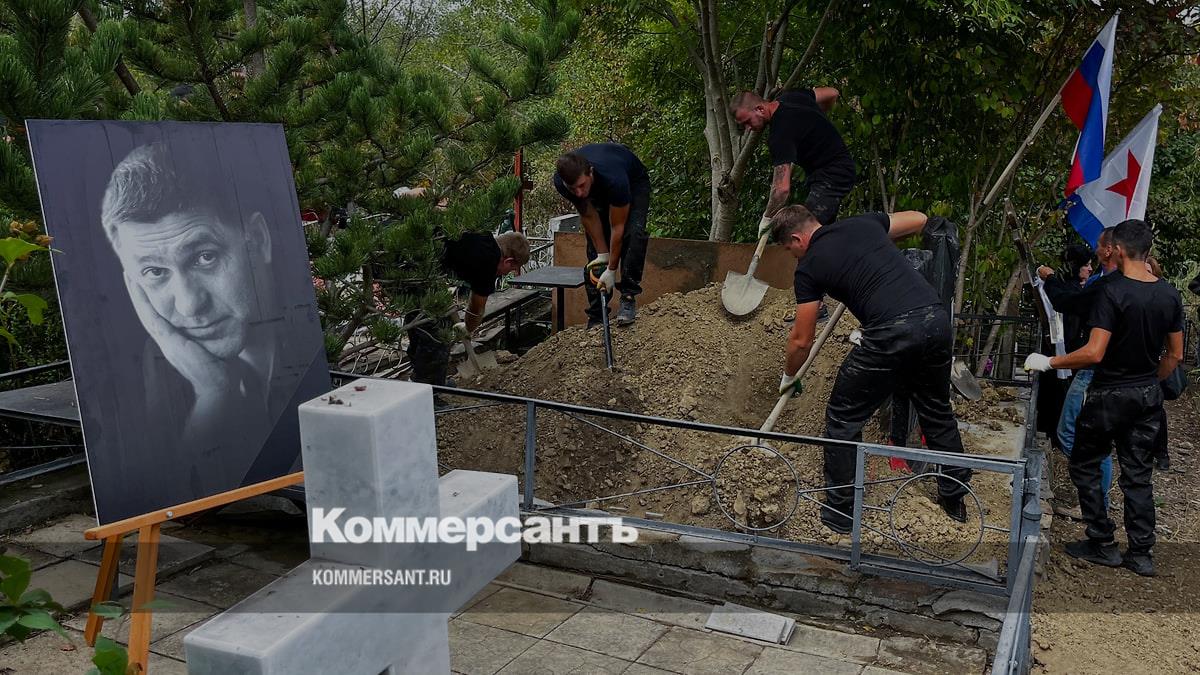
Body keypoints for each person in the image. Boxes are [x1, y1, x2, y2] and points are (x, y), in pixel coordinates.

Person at [100, 141, 325, 491]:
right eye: (155, 272)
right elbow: (171, 492)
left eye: (205, 257)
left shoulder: (311, 333)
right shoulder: (158, 361)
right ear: (134, 284)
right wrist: (213, 393)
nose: (190, 305)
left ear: (258, 240)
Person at [771, 205, 971, 534]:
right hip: (935, 321)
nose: (792, 255)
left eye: (788, 248)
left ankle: (840, 514)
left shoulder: (809, 267)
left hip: (892, 331)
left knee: (843, 417)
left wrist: (789, 376)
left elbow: (801, 340)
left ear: (796, 238)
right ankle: (955, 499)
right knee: (936, 410)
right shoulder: (863, 224)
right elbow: (919, 219)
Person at [1024, 219, 1184, 577]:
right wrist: (1149, 381)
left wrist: (1049, 362)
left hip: (1109, 394)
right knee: (1138, 474)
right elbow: (1175, 354)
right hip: (1147, 396)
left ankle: (1102, 541)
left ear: (1119, 249)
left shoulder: (1111, 291)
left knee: (1084, 463)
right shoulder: (1169, 294)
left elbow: (1094, 351)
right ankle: (1141, 553)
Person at [1038, 230, 1118, 510]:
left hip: (1093, 370)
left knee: (1072, 434)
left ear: (1110, 250)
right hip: (1122, 376)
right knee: (1099, 440)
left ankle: (1094, 502)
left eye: (1098, 245)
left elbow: (1069, 303)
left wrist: (1051, 362)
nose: (1095, 252)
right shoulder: (1151, 289)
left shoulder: (1109, 287)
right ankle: (1097, 501)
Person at [406, 230, 530, 386]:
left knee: (422, 322)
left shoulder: (482, 237)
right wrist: (467, 328)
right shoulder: (488, 260)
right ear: (509, 261)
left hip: (413, 260)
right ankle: (428, 388)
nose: (506, 274)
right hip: (408, 265)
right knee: (437, 331)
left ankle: (429, 380)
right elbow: (476, 309)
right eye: (511, 270)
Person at [731, 87, 857, 238]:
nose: (748, 128)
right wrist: (818, 119)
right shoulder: (792, 96)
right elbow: (832, 93)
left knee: (803, 233)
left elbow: (781, 190)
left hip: (833, 175)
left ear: (760, 109)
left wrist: (767, 218)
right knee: (822, 235)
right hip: (832, 171)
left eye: (747, 122)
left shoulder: (779, 134)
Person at [553, 144, 651, 328]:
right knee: (595, 253)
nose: (579, 193)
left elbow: (618, 227)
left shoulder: (615, 179)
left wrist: (612, 269)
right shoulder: (562, 183)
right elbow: (588, 215)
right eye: (573, 189)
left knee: (633, 235)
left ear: (590, 173)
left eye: (581, 185)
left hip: (633, 183)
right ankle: (597, 313)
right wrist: (603, 256)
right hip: (600, 187)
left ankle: (628, 297)